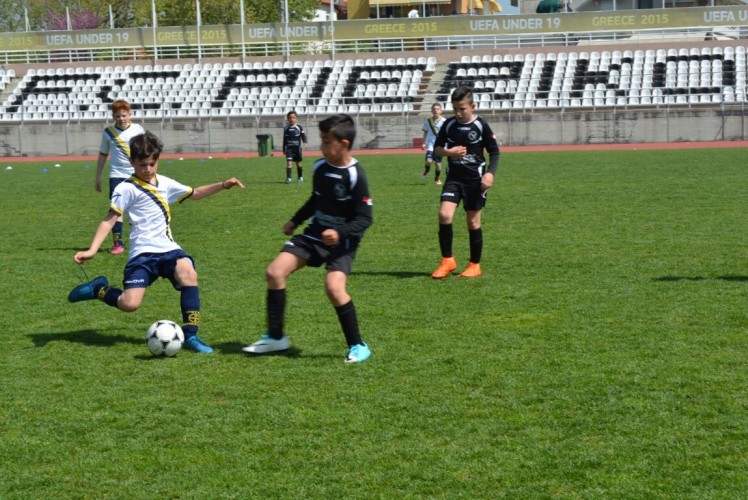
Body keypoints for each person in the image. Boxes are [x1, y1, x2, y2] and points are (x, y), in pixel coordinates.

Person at [68, 131, 245, 354]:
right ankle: (99, 289)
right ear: (132, 161)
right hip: (142, 255)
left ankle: (191, 335)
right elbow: (109, 219)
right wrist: (92, 250)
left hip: (169, 249)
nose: (148, 169)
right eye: (142, 165)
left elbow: (196, 193)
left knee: (189, 274)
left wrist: (224, 184)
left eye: (152, 164)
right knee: (130, 304)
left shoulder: (165, 183)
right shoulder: (125, 188)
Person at [243, 114, 373, 363]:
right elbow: (316, 199)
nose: (322, 147)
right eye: (322, 141)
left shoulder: (356, 175)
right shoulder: (320, 167)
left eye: (327, 142)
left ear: (344, 144)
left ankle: (358, 345)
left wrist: (339, 233)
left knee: (334, 288)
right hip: (314, 234)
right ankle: (276, 337)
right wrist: (295, 220)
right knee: (274, 272)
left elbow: (365, 218)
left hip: (343, 242)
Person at [431, 86, 500, 279]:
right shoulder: (449, 125)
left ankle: (474, 265)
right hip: (454, 179)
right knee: (444, 215)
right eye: (455, 109)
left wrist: (490, 174)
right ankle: (447, 260)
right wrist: (449, 152)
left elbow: (494, 152)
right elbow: (437, 148)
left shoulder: (481, 125)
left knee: (472, 221)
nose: (458, 113)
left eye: (462, 109)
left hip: (475, 182)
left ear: (473, 106)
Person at [95, 100, 146, 255]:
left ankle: (141, 240)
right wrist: (98, 176)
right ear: (113, 116)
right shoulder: (108, 132)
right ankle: (118, 243)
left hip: (136, 174)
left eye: (124, 115)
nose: (121, 119)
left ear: (130, 115)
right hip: (116, 175)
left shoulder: (138, 129)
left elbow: (146, 151)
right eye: (117, 116)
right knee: (116, 210)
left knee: (139, 207)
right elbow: (103, 155)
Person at [421, 102, 446, 185]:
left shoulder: (444, 121)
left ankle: (437, 179)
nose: (436, 110)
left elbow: (447, 134)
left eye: (438, 109)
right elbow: (425, 132)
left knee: (438, 164)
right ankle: (426, 170)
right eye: (434, 109)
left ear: (441, 111)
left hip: (440, 146)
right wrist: (423, 143)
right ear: (431, 111)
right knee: (428, 161)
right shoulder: (428, 121)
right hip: (431, 145)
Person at [282, 110, 308, 183]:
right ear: (288, 119)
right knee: (289, 163)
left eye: (293, 117)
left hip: (297, 149)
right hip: (289, 149)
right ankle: (289, 178)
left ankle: (300, 177)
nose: (292, 119)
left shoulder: (299, 127)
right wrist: (283, 148)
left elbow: (303, 135)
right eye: (290, 118)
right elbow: (284, 139)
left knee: (299, 164)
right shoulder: (286, 128)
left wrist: (305, 142)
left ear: (296, 119)